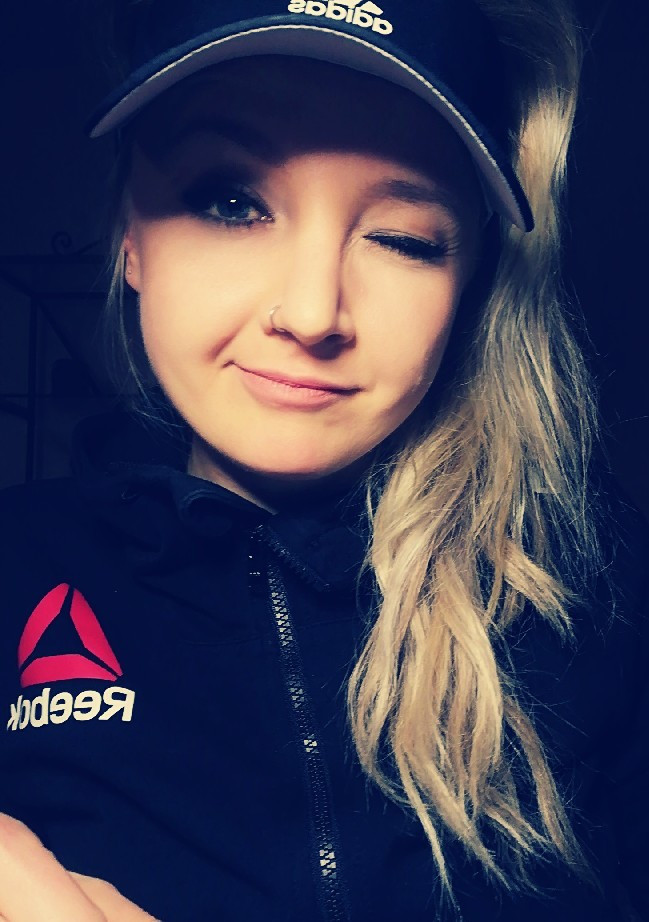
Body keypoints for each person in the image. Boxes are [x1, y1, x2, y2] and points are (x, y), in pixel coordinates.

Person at [0, 0, 647, 920]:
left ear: (468, 281)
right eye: (231, 201)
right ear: (131, 236)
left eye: (403, 238)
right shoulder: (18, 561)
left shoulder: (598, 585)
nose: (311, 314)